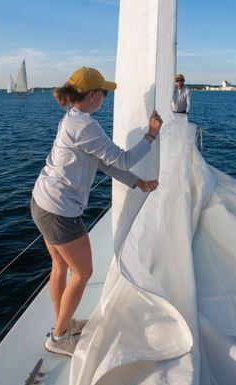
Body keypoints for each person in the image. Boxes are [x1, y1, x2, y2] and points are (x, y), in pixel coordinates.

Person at [31, 66, 163, 355]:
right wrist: (151, 135)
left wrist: (136, 182)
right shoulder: (86, 126)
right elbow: (124, 159)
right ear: (91, 96)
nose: (105, 97)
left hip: (42, 202)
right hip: (59, 212)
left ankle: (62, 324)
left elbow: (105, 163)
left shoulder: (73, 120)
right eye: (103, 93)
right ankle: (57, 338)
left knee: (60, 266)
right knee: (83, 272)